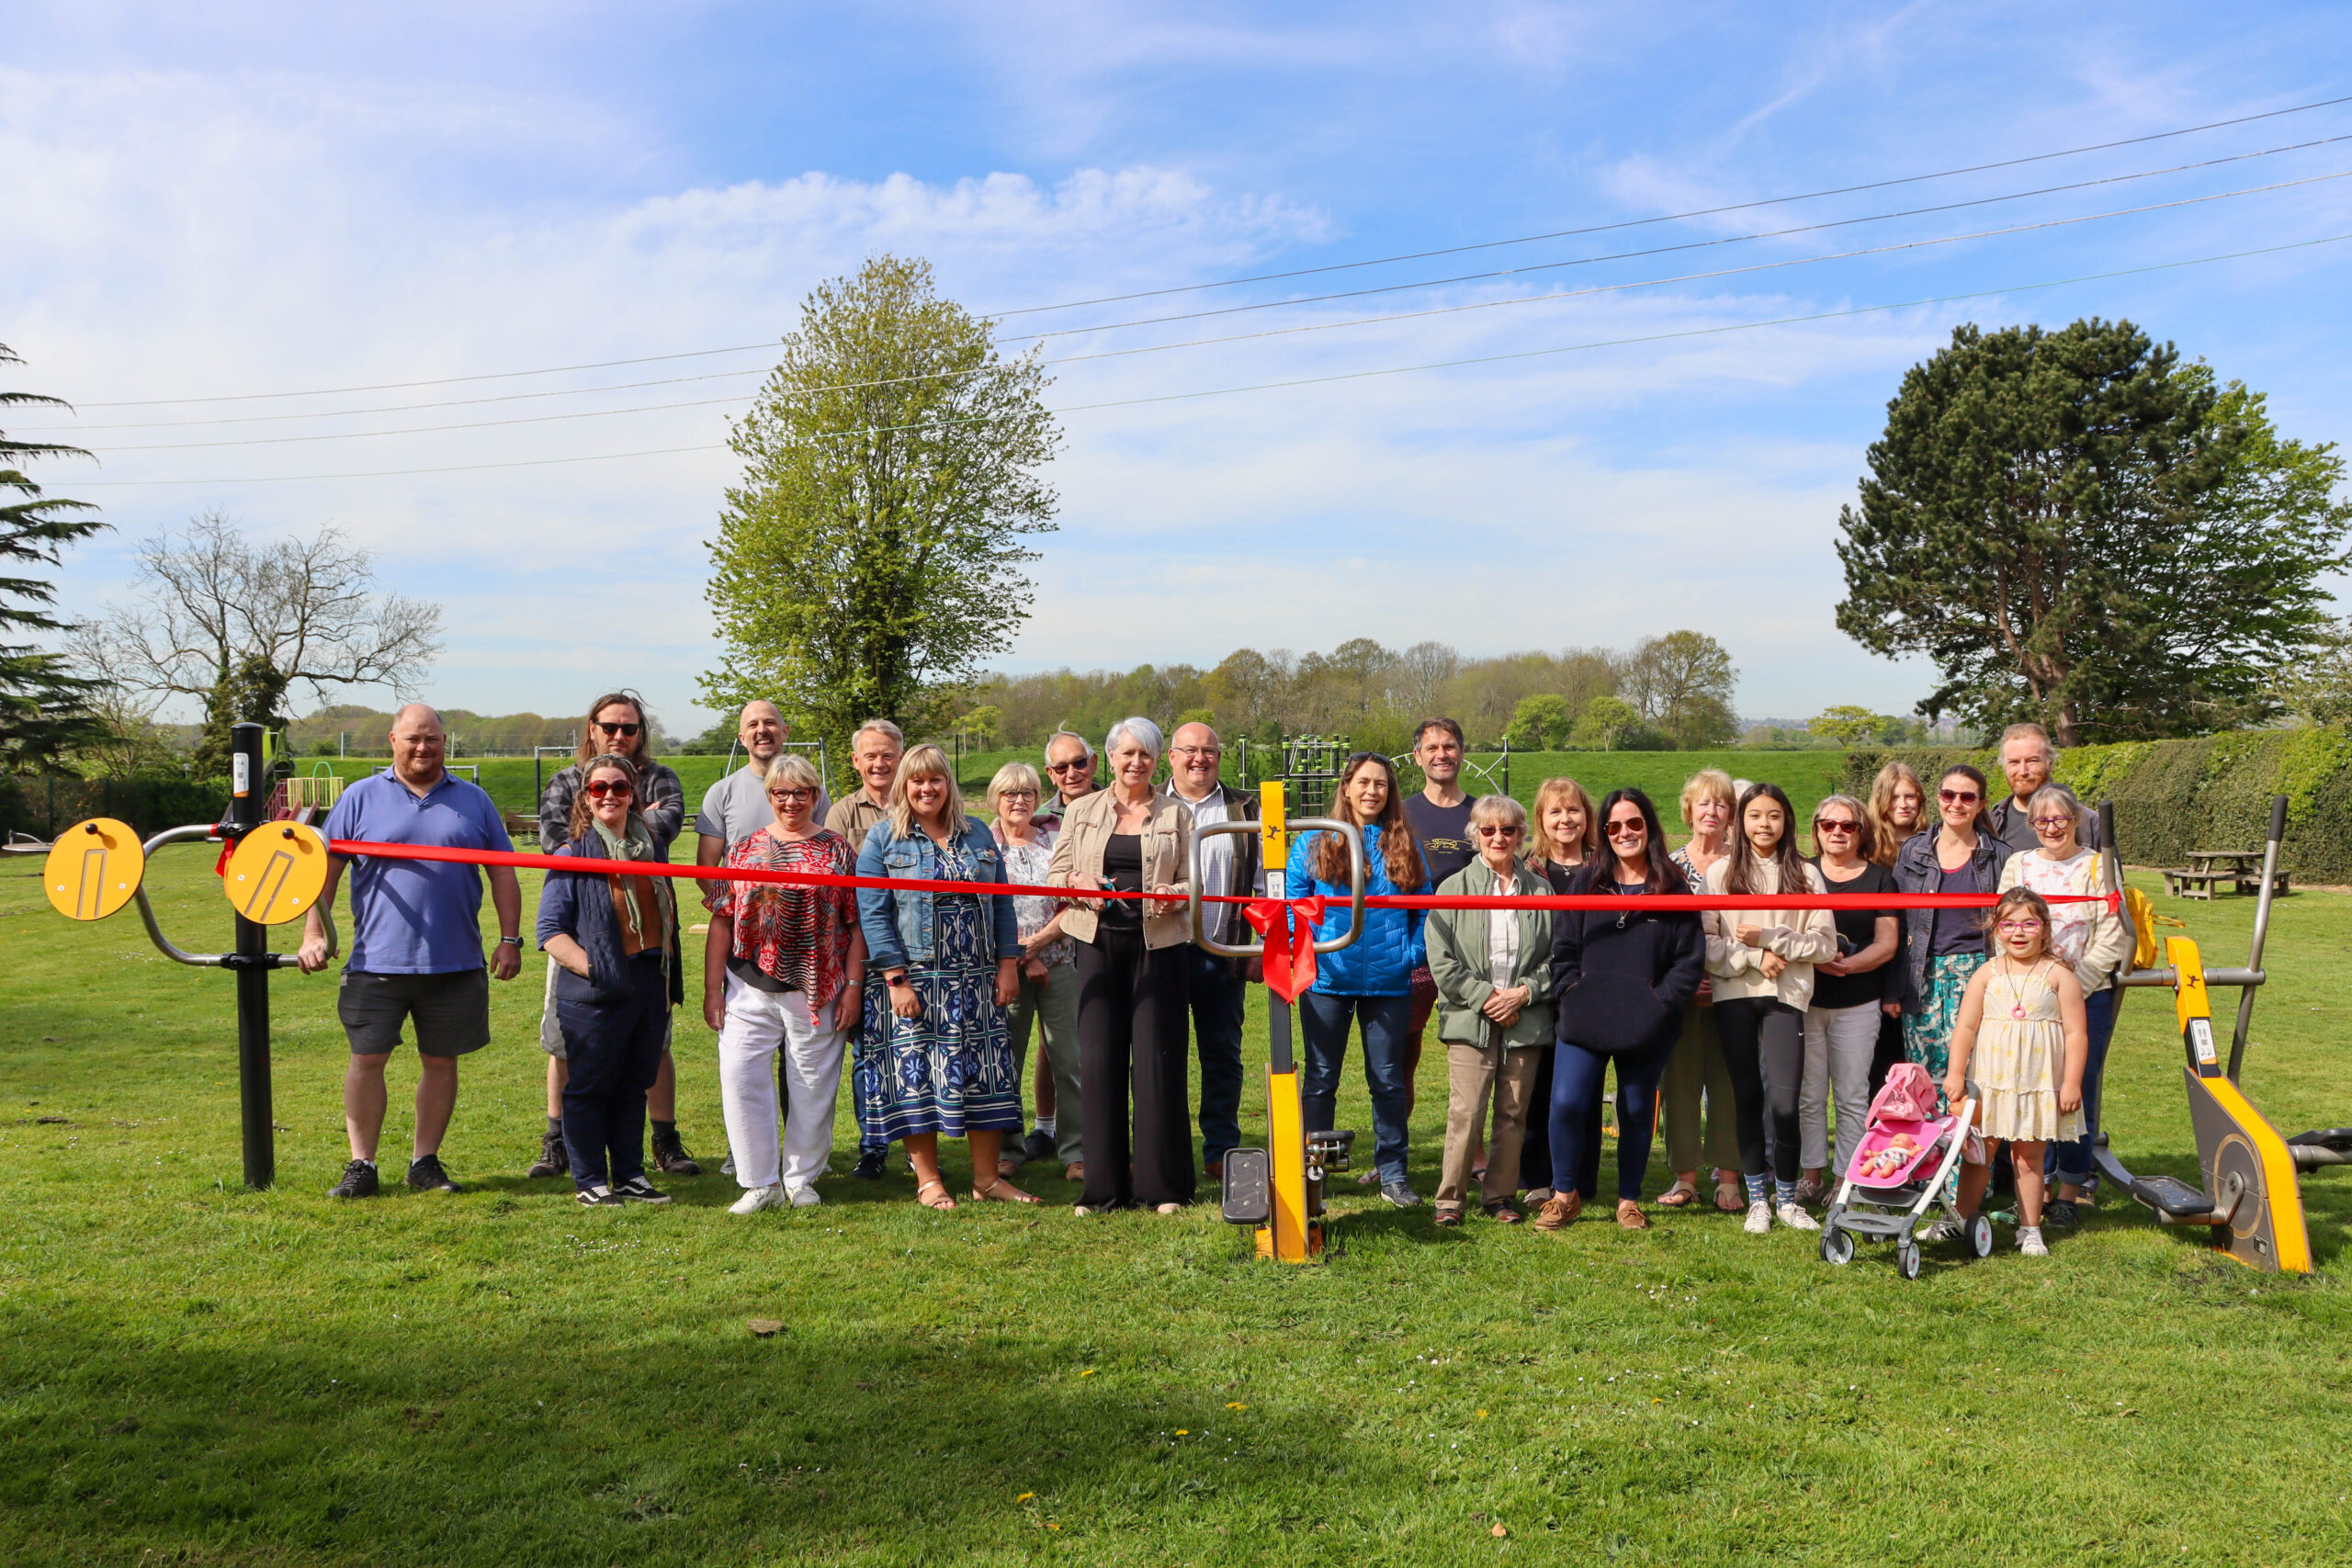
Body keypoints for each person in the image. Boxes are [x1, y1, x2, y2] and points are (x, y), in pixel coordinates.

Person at [299, 704, 523, 1199]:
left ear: (446, 742)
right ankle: (362, 1165)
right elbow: (323, 875)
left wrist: (509, 939)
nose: (423, 748)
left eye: (433, 739)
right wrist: (315, 935)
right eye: (413, 739)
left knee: (442, 1062)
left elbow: (504, 871)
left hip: (456, 961)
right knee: (367, 1060)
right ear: (392, 740)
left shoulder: (474, 800)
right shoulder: (359, 799)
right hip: (376, 961)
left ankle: (425, 1162)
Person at [854, 744, 1033, 1210]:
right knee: (919, 1079)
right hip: (916, 981)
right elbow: (873, 915)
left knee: (987, 1075)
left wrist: (1008, 964)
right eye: (916, 780)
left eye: (935, 779)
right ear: (903, 786)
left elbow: (1002, 904)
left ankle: (987, 1179)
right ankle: (929, 1180)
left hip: (976, 980)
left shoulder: (977, 836)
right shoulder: (882, 840)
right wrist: (895, 980)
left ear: (948, 784)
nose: (926, 788)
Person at [530, 692, 695, 1181]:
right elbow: (555, 838)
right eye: (610, 727)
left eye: (629, 728)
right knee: (567, 1044)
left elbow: (661, 832)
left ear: (641, 732)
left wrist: (629, 827)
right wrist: (621, 827)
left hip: (649, 945)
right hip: (585, 933)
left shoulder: (662, 777)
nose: (619, 736)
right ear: (592, 728)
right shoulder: (564, 779)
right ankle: (558, 1142)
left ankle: (662, 1142)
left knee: (651, 1046)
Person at [1535, 788, 1704, 1233]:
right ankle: (1563, 1195)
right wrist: (1571, 991)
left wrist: (1660, 1002)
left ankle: (1628, 1200)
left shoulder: (1672, 884)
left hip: (1647, 1021)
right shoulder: (1587, 881)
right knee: (1568, 1103)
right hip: (1585, 1015)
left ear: (1648, 826)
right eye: (1614, 825)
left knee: (1634, 1110)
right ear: (1604, 832)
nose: (1625, 832)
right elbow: (1564, 946)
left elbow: (1689, 959)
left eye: (1634, 823)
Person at [702, 753, 863, 1214]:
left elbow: (856, 925)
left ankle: (801, 1179)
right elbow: (721, 919)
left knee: (812, 1085)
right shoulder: (744, 847)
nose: (791, 801)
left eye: (801, 792)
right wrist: (714, 989)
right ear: (769, 795)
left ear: (815, 795)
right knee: (740, 1079)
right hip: (748, 984)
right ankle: (758, 1182)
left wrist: (853, 985)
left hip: (819, 985)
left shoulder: (837, 850)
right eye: (780, 793)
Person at [1047, 718, 1194, 1213]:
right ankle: (1104, 1189)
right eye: (1127, 753)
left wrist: (1171, 895)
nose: (1137, 763)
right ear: (1107, 758)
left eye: (1147, 754)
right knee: (1100, 1062)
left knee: (1157, 1064)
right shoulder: (1081, 810)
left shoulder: (1178, 814)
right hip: (1096, 945)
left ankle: (1163, 1188)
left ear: (1158, 760)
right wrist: (1075, 877)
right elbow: (1054, 875)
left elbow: (1194, 881)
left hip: (1161, 948)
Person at [1287, 750, 1430, 1208]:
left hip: (1389, 983)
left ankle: (1393, 1174)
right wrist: (1309, 953)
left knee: (1388, 1080)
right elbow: (1293, 903)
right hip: (1328, 979)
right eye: (1364, 782)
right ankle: (1316, 1177)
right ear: (1346, 787)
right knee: (1321, 1080)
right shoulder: (1314, 840)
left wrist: (1410, 955)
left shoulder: (1404, 841)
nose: (1372, 791)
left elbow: (1424, 908)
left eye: (1381, 784)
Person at [1703, 782, 1838, 1235]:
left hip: (1787, 996)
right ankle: (1756, 1199)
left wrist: (1772, 938)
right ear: (1741, 821)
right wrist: (1753, 957)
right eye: (1756, 815)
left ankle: (1788, 1197)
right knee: (1747, 1096)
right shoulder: (1720, 874)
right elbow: (1706, 944)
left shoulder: (1807, 875)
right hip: (1736, 996)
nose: (1765, 824)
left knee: (1784, 1100)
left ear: (1787, 821)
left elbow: (1825, 945)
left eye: (1774, 815)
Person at [1996, 784, 2129, 1227]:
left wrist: (2074, 986)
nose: (2051, 828)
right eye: (2041, 821)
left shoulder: (2098, 864)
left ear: (2076, 820)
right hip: (2030, 996)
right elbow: (2005, 919)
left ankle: (2072, 1189)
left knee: (2075, 1090)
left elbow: (2113, 929)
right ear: (2031, 825)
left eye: (2060, 819)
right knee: (2032, 1087)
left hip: (2085, 995)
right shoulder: (2020, 864)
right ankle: (2039, 1187)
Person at [1425, 795, 1554, 1225]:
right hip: (1469, 1018)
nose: (1499, 838)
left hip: (1525, 1017)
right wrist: (1485, 997)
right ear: (1475, 834)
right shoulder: (1452, 888)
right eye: (1489, 830)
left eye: (1509, 830)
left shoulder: (1541, 888)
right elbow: (1440, 959)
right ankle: (1450, 1201)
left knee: (1513, 1113)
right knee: (1467, 1112)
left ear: (1521, 835)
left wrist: (1523, 993)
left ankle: (1499, 1197)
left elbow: (1558, 955)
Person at [1941, 888, 2088, 1258]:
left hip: (2036, 1084)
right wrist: (1956, 1074)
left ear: (2044, 929)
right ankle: (1961, 1219)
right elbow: (1965, 1028)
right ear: (1995, 929)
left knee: (2029, 1157)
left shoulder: (2060, 976)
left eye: (2028, 924)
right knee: (1978, 1154)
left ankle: (2030, 1229)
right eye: (2008, 924)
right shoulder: (1986, 973)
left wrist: (2071, 1083)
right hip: (1990, 1083)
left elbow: (2076, 1033)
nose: (2018, 933)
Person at [1165, 721, 1261, 1181]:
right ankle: (1164, 1147)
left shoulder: (1244, 807)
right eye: (1190, 751)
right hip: (1160, 951)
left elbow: (1264, 881)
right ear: (1171, 757)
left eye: (1209, 751)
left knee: (1222, 1054)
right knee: (1159, 1052)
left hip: (1222, 951)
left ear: (1220, 757)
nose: (1199, 759)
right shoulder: (1150, 805)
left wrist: (1258, 946)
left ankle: (1220, 1148)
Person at [989, 761, 1084, 1183]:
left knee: (1071, 1059)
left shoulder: (1056, 840)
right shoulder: (982, 844)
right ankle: (1007, 1149)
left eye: (1027, 792)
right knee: (1004, 1062)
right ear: (996, 798)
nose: (1019, 800)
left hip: (1062, 962)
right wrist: (1023, 958)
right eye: (1010, 793)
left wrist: (1041, 945)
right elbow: (984, 909)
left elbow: (1074, 900)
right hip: (1004, 969)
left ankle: (1077, 1151)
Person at [1506, 776, 1599, 1203]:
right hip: (1540, 992)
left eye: (1573, 810)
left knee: (1586, 1091)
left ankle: (1582, 1179)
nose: (1566, 819)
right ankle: (1537, 1177)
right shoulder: (1526, 869)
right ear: (1541, 819)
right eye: (1555, 811)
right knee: (1537, 1086)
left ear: (1586, 816)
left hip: (1589, 991)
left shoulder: (1604, 867)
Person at [1894, 763, 2014, 1091]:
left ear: (1981, 804)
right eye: (1949, 794)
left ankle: (1971, 1143)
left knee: (1975, 1076)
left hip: (1979, 975)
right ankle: (1933, 1143)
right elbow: (1897, 922)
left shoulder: (2000, 857)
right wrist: (1894, 987)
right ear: (1938, 798)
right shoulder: (1914, 851)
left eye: (1967, 797)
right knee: (1924, 1080)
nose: (1956, 804)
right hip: (1922, 978)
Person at [1804, 793, 1900, 1190]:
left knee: (1851, 1096)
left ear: (1862, 833)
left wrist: (1847, 966)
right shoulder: (1800, 872)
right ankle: (1810, 1177)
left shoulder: (1881, 879)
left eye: (1848, 826)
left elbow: (1888, 942)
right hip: (1806, 1000)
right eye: (1829, 825)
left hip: (1859, 1003)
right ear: (1817, 831)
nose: (1838, 832)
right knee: (1807, 1096)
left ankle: (1846, 1179)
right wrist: (1814, 960)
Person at [1662, 769, 1746, 1213]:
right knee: (1679, 1085)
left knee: (1729, 1084)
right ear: (1689, 810)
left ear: (1732, 813)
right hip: (1681, 994)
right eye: (1704, 803)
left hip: (1737, 989)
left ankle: (1728, 1179)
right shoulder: (1670, 866)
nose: (1712, 811)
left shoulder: (1746, 863)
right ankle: (1685, 1178)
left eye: (1721, 804)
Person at [830, 718, 906, 1181]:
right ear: (856, 761)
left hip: (918, 946)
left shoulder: (918, 801)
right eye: (870, 756)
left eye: (888, 755)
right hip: (862, 947)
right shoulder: (841, 814)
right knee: (868, 1052)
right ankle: (873, 1145)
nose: (879, 763)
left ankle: (925, 1141)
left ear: (901, 758)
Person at [1023, 729, 1101, 1162]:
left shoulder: (1116, 806)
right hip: (1056, 946)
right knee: (1052, 1040)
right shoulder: (1036, 818)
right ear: (1050, 774)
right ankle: (1046, 1128)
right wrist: (1039, 943)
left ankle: (1100, 1127)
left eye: (1079, 763)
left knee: (1101, 1037)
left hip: (1104, 938)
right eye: (1061, 767)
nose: (1072, 773)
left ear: (1093, 762)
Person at [1399, 719, 1473, 1127]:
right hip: (1413, 953)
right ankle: (1392, 1156)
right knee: (1401, 1061)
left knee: (1472, 1059)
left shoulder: (1482, 815)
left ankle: (1475, 1155)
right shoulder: (1401, 814)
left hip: (1469, 957)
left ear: (1462, 751)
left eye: (1449, 746)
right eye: (1432, 748)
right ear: (1418, 756)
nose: (1441, 754)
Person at [1864, 761, 1928, 1096]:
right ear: (1881, 801)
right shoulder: (1868, 848)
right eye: (1894, 797)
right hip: (1878, 969)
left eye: (1910, 796)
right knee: (1882, 1071)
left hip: (1922, 969)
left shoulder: (1935, 843)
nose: (1903, 805)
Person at [1985, 722, 2101, 856]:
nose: (2023, 771)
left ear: (2050, 764)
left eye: (2032, 761)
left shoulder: (2089, 822)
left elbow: (2110, 875)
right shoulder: (1990, 823)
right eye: (2014, 762)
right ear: (2004, 767)